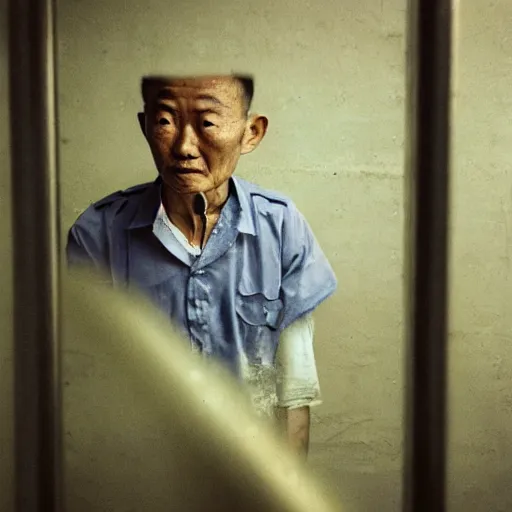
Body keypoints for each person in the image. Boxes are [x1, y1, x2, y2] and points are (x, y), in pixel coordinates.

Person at [66, 73, 337, 456]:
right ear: (145, 127)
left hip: (247, 473)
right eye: (165, 121)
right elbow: (85, 391)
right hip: (134, 473)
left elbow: (293, 390)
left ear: (250, 133)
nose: (184, 147)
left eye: (208, 123)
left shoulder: (281, 227)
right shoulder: (97, 234)